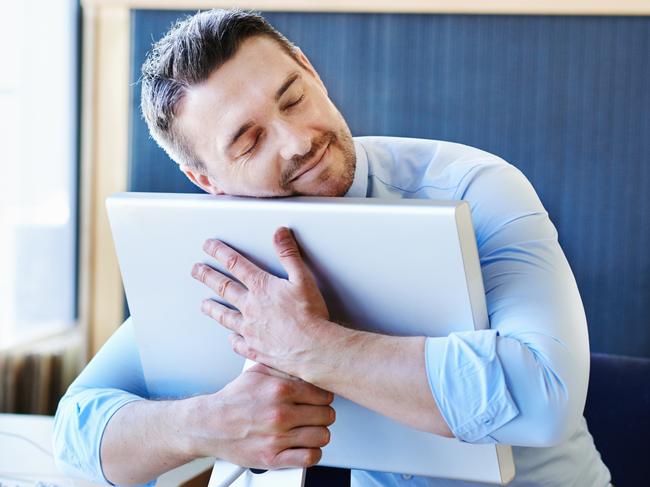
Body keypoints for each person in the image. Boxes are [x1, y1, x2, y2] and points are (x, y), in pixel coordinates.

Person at [54, 8, 612, 487]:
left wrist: (314, 349)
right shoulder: (214, 247)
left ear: (312, 73)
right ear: (206, 180)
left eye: (293, 99)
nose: (299, 141)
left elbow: (546, 396)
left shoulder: (474, 188)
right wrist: (207, 424)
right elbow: (78, 426)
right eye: (249, 141)